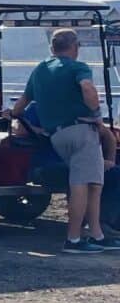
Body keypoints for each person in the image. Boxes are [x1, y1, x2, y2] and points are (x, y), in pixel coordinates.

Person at [12, 29, 113, 252]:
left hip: (57, 135)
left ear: (52, 48)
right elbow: (87, 87)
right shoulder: (78, 68)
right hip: (81, 130)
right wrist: (96, 114)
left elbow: (21, 104)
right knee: (83, 185)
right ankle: (74, 238)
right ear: (75, 47)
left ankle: (96, 234)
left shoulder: (40, 69)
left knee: (92, 184)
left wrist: (11, 114)